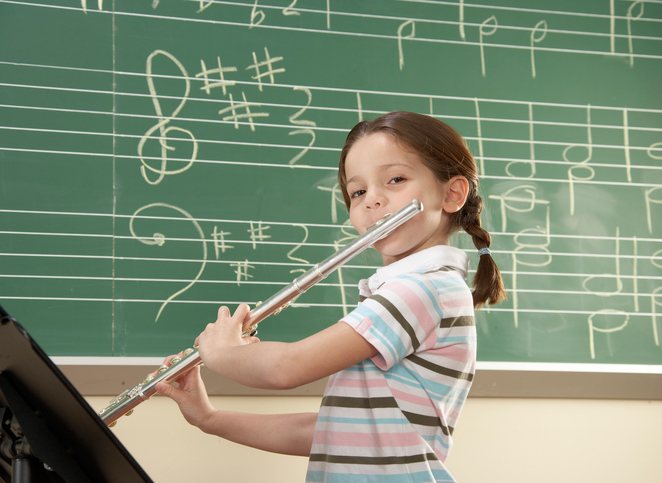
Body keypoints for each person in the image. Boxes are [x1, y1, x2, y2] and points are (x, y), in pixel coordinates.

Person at [154, 111, 506, 482]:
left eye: (396, 179)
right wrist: (210, 419)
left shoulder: (424, 289)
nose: (373, 200)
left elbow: (286, 368)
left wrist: (224, 352)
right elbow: (333, 433)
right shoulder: (411, 291)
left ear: (452, 193)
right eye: (358, 192)